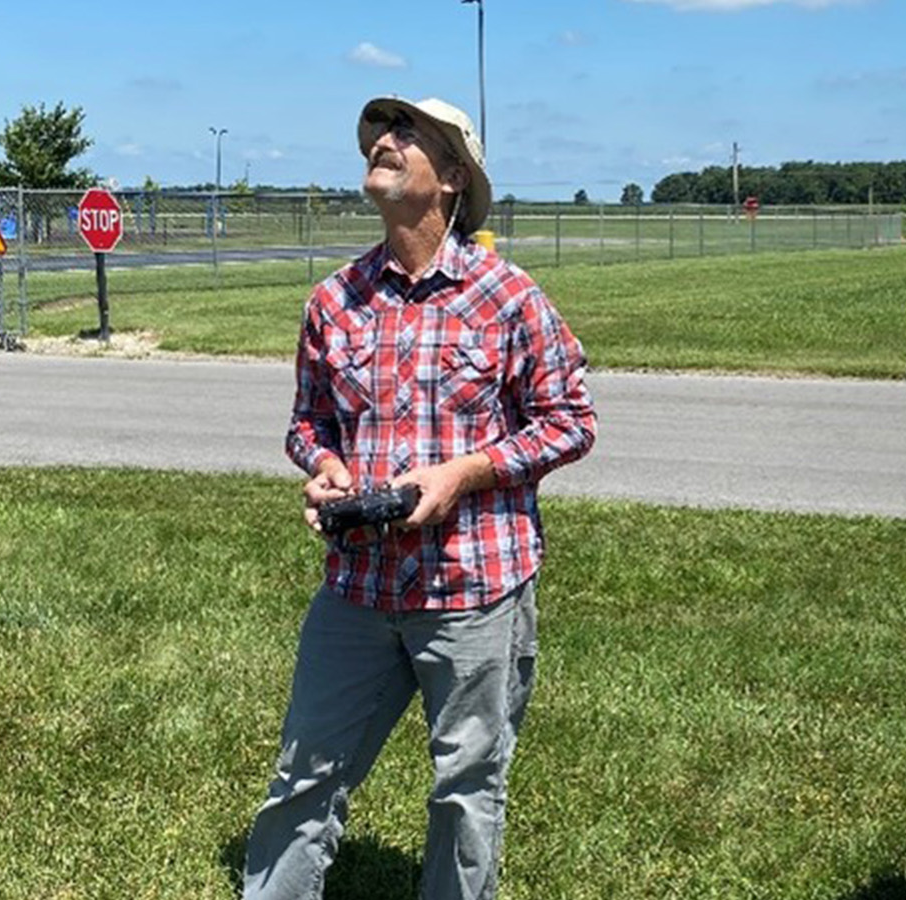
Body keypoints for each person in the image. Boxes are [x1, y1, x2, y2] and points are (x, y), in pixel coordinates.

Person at [242, 96, 596, 900]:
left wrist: (464, 474)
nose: (386, 144)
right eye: (379, 136)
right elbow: (309, 424)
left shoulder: (508, 298)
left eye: (410, 136)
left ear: (452, 181)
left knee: (467, 790)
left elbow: (570, 422)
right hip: (358, 587)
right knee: (305, 772)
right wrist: (324, 466)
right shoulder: (334, 300)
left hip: (474, 587)